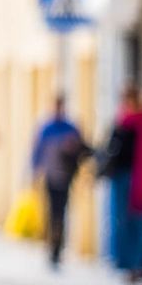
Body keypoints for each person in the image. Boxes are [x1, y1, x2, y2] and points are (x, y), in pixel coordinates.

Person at [101, 84, 142, 278]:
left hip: (139, 177)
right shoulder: (120, 123)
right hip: (120, 177)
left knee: (138, 220)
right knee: (119, 219)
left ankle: (137, 262)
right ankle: (122, 260)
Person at [30, 92, 90, 270]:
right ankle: (51, 245)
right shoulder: (46, 127)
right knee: (51, 211)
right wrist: (35, 172)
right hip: (50, 175)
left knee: (61, 211)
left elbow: (82, 148)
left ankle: (58, 247)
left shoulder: (70, 127)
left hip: (65, 175)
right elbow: (37, 151)